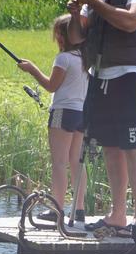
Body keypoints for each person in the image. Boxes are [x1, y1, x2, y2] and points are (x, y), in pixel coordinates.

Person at [66, 0, 136, 235]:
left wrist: (94, 2)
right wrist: (77, 12)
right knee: (110, 146)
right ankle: (118, 214)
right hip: (101, 76)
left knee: (134, 146)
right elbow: (78, 37)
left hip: (130, 76)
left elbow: (131, 22)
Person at [18, 14, 89, 223]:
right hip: (81, 114)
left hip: (62, 113)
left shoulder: (63, 59)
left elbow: (51, 86)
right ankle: (79, 209)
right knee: (76, 162)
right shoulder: (86, 60)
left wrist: (31, 69)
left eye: (57, 34)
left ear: (62, 36)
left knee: (59, 162)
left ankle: (56, 208)